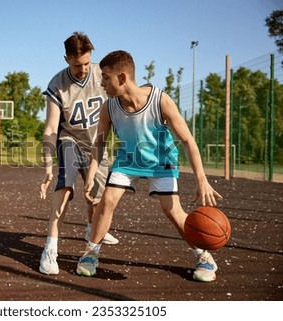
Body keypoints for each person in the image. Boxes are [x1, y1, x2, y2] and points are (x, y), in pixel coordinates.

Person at [76, 50, 223, 282]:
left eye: (105, 77)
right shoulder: (109, 107)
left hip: (161, 162)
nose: (101, 82)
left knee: (173, 211)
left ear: (122, 78)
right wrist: (91, 176)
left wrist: (201, 180)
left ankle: (203, 256)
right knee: (108, 200)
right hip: (128, 161)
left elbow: (187, 140)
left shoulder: (160, 99)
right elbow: (99, 143)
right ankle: (90, 253)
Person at [39, 32, 119, 275]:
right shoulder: (57, 84)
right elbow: (52, 127)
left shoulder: (102, 75)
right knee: (65, 186)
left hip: (98, 144)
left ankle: (90, 226)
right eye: (77, 65)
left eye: (86, 63)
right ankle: (50, 248)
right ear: (66, 59)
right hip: (70, 140)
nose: (83, 69)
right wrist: (48, 164)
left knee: (98, 197)